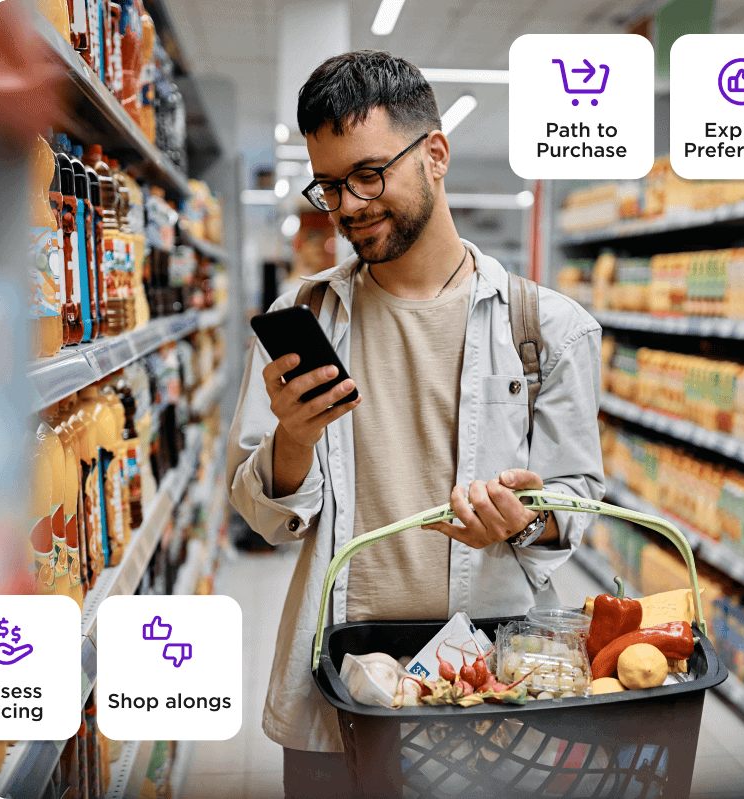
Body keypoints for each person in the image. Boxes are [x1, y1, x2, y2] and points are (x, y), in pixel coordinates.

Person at [226, 50, 604, 798]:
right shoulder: (301, 320)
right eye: (329, 185)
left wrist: (520, 520)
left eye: (369, 175)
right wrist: (293, 440)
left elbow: (574, 510)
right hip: (337, 684)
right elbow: (263, 517)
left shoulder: (550, 329)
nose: (347, 205)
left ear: (435, 153)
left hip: (487, 687)